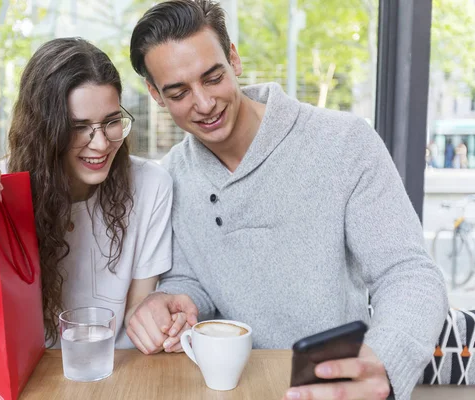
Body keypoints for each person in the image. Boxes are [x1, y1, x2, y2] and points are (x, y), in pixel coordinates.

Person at [126, 1, 448, 399]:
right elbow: (192, 280)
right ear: (155, 95)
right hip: (230, 389)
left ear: (234, 59)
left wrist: (383, 360)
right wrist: (172, 300)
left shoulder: (345, 142)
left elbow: (409, 274)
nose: (204, 104)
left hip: (332, 387)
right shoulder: (171, 175)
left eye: (213, 78)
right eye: (179, 92)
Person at [0, 38, 194, 349]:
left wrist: (160, 321)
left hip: (119, 370)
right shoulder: (4, 190)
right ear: (45, 130)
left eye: (111, 122)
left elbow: (137, 310)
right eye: (78, 127)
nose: (100, 144)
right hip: (34, 376)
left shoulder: (151, 185)